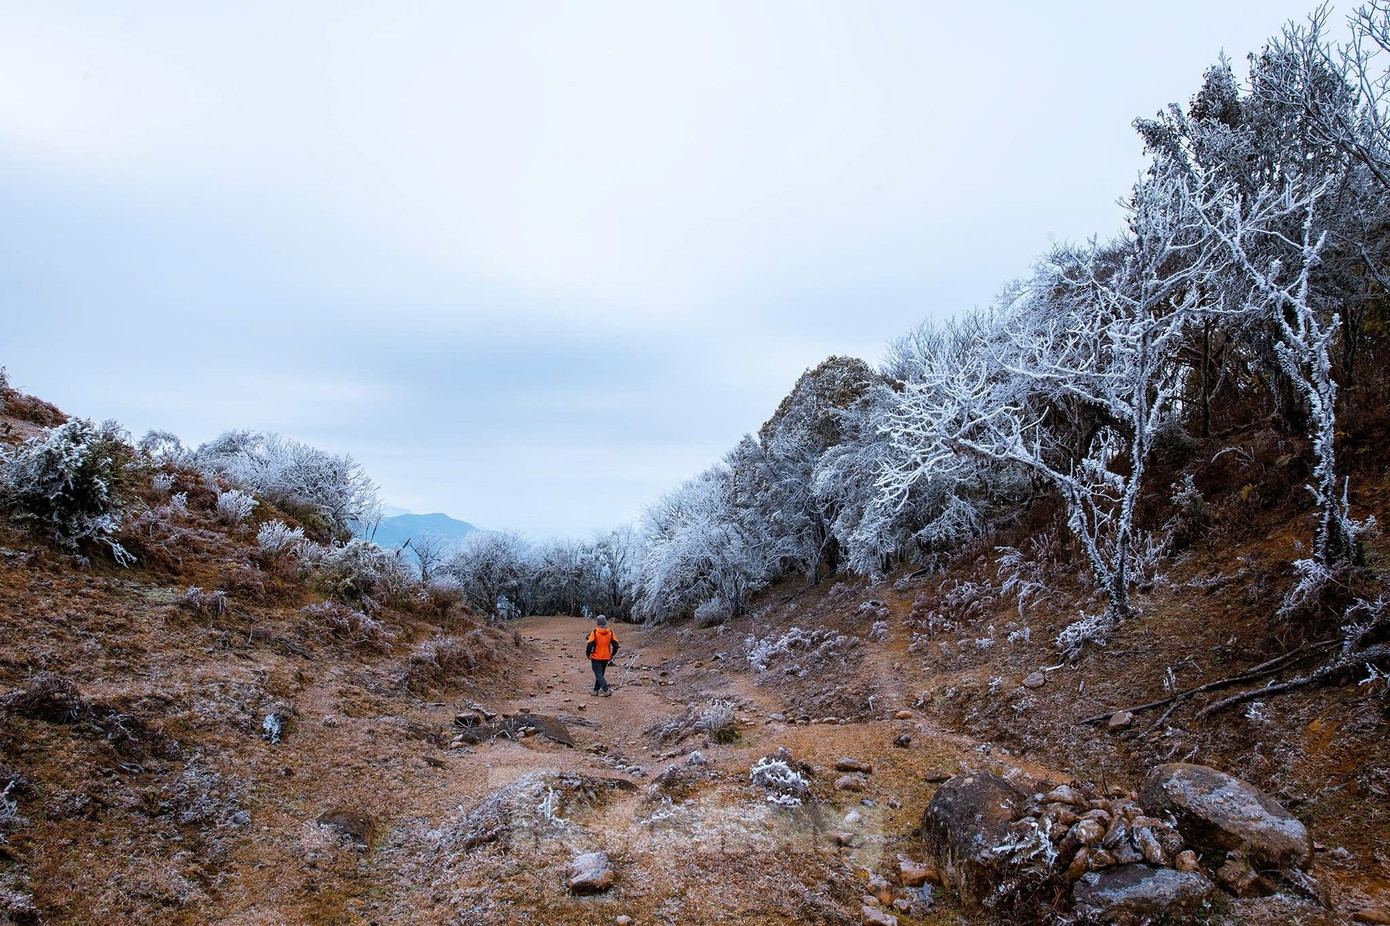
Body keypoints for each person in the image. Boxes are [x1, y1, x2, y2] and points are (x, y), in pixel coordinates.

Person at [585, 615, 619, 696]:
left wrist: (588, 654)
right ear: (605, 622)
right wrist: (612, 654)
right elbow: (616, 645)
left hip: (596, 657)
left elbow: (589, 645)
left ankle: (606, 690)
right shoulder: (610, 632)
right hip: (606, 657)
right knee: (600, 674)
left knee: (598, 674)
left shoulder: (594, 633)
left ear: (597, 623)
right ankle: (595, 691)